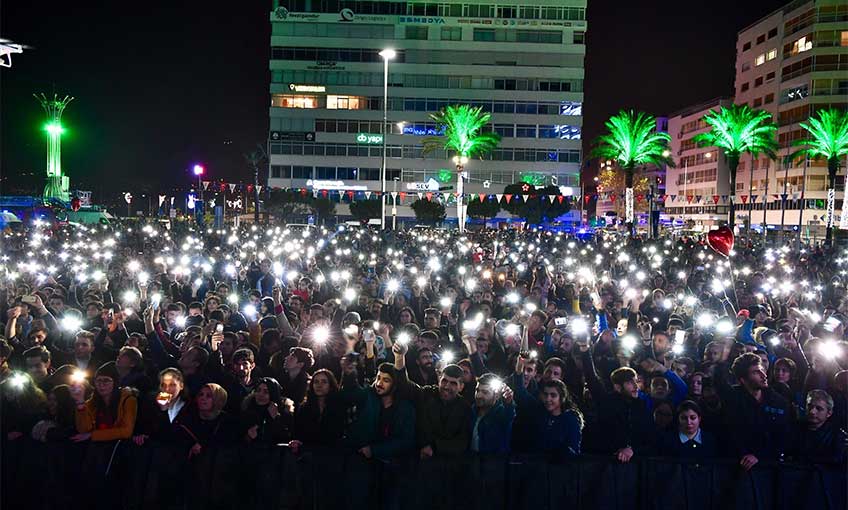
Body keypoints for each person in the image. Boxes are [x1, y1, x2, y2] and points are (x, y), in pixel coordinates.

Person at [720, 352, 791, 471]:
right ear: (743, 379)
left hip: (771, 468)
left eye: (762, 369)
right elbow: (730, 435)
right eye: (756, 372)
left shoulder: (779, 401)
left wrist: (760, 456)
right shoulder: (732, 400)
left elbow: (784, 436)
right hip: (737, 467)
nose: (763, 375)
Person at [514, 377, 583, 459]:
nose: (548, 399)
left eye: (553, 395)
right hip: (538, 465)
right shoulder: (539, 412)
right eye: (545, 395)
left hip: (562, 467)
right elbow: (522, 393)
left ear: (562, 397)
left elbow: (574, 449)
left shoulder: (571, 419)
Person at [71, 361, 138, 442]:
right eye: (98, 380)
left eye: (106, 380)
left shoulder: (127, 400)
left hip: (120, 445)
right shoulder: (92, 402)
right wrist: (80, 402)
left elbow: (126, 431)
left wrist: (93, 435)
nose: (101, 385)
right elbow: (84, 430)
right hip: (98, 444)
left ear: (115, 383)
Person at [290, 368, 346, 454]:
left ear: (330, 385)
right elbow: (297, 432)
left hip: (332, 454)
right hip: (308, 455)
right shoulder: (304, 407)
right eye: (316, 382)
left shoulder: (338, 406)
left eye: (324, 382)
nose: (319, 385)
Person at [787, 389, 847, 465]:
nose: (812, 411)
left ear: (829, 413)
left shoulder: (837, 437)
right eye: (810, 406)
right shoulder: (794, 429)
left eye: (819, 408)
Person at [470, 373, 515, 455]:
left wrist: (509, 402)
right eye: (477, 390)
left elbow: (509, 414)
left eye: (485, 392)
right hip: (471, 460)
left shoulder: (502, 413)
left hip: (494, 463)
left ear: (497, 395)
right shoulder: (472, 410)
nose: (479, 395)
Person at [240, 377, 293, 444]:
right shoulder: (248, 409)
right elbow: (237, 440)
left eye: (266, 392)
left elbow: (287, 438)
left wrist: (276, 418)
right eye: (258, 390)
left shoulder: (284, 411)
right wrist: (248, 437)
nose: (260, 394)